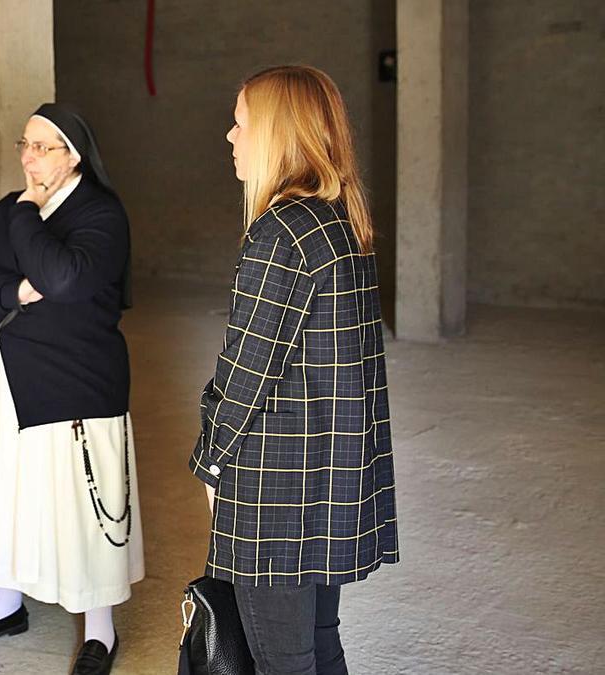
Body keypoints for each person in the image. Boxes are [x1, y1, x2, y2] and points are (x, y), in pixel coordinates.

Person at [189, 65, 399, 674]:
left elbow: (245, 373)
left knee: (281, 661)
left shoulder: (280, 233)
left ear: (277, 133)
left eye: (241, 122)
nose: (230, 136)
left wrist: (209, 462)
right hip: (328, 478)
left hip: (277, 487)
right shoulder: (337, 220)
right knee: (318, 645)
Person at [0, 103, 144, 675]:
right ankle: (7, 607)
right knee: (4, 495)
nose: (29, 157)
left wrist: (30, 214)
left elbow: (63, 276)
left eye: (42, 147)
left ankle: (99, 634)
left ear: (73, 155)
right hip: (7, 377)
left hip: (75, 385)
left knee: (82, 509)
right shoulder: (11, 211)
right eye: (25, 145)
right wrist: (15, 292)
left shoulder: (101, 215)